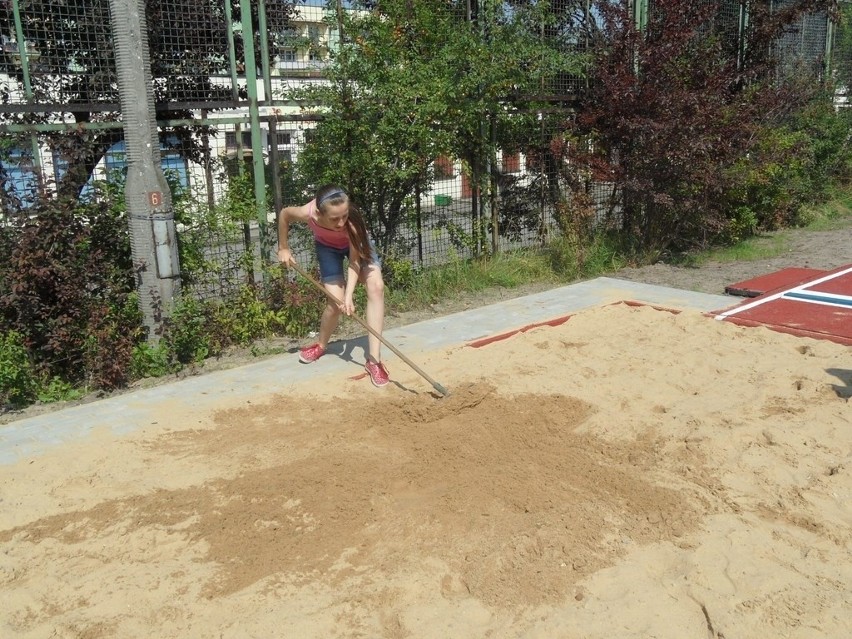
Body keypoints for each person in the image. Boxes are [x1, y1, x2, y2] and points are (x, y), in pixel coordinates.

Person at [277, 184, 390, 387]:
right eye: (335, 218)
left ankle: (374, 360)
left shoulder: (352, 224)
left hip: (357, 246)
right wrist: (283, 247)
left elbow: (355, 262)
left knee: (376, 287)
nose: (341, 223)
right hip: (328, 248)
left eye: (344, 216)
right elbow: (284, 215)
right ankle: (321, 345)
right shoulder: (307, 213)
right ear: (320, 213)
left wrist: (349, 297)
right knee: (335, 303)